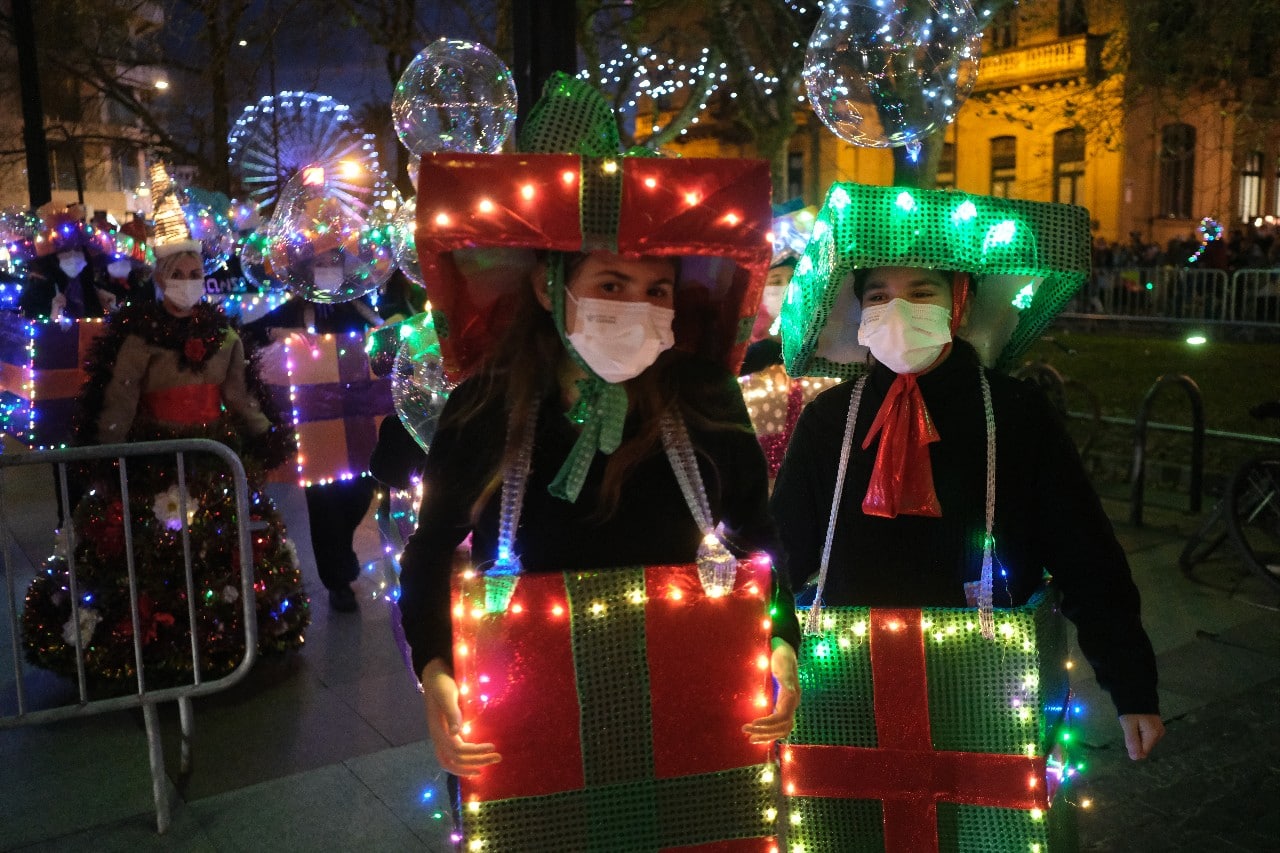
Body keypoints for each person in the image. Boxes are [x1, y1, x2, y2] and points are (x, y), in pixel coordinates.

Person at [771, 184, 1165, 762]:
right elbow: (780, 554)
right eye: (878, 294)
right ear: (859, 312)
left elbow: (1086, 553)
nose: (897, 310)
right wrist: (775, 646)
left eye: (920, 291)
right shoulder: (828, 419)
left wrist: (1131, 685)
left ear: (957, 303)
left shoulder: (1015, 411)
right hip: (845, 679)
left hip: (990, 679)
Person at [399, 248, 802, 776]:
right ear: (549, 287)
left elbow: (756, 535)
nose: (637, 306)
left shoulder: (706, 394)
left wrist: (782, 644)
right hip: (529, 713)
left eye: (657, 290)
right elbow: (430, 550)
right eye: (612, 286)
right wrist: (435, 668)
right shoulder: (484, 406)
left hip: (693, 697)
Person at [22, 162, 306, 689]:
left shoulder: (223, 336)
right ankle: (151, 647)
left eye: (194, 273)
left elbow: (240, 397)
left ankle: (231, 640)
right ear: (159, 278)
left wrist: (264, 435)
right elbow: (120, 402)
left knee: (216, 555)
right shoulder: (139, 339)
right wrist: (107, 455)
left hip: (212, 458)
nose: (188, 283)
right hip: (153, 461)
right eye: (177, 274)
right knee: (148, 557)